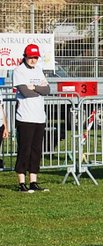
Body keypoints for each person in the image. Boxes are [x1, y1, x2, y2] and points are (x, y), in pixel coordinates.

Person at [13, 44, 50, 193]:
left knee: (36, 150)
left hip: (39, 117)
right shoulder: (18, 71)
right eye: (31, 57)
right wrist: (37, 89)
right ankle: (22, 182)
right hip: (25, 117)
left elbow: (47, 90)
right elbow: (24, 92)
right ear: (25, 56)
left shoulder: (39, 70)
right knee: (24, 149)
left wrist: (33, 87)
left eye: (35, 57)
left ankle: (33, 180)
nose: (33, 60)